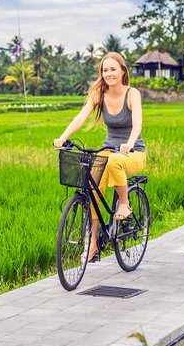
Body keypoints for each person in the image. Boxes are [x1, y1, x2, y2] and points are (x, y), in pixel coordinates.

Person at [53, 52, 146, 262]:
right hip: (108, 151)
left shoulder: (133, 94)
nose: (109, 74)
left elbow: (138, 123)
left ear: (123, 71)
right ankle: (93, 243)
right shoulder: (99, 94)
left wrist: (129, 144)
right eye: (105, 70)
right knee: (92, 188)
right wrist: (63, 137)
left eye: (113, 69)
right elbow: (81, 117)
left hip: (133, 153)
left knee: (114, 161)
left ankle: (124, 204)